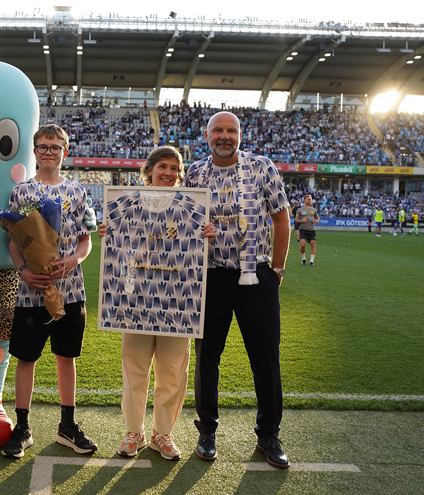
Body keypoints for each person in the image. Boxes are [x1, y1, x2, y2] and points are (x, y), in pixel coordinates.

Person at [183, 111, 291, 469]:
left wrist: (276, 269)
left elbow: (280, 217)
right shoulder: (196, 172)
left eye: (231, 130)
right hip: (211, 276)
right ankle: (207, 431)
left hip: (256, 275)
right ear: (206, 135)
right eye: (218, 131)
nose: (224, 136)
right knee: (207, 357)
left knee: (265, 358)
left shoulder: (262, 167)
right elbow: (181, 220)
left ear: (240, 135)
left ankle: (268, 435)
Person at [97, 146, 217, 461]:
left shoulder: (192, 208)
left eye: (174, 168)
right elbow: (120, 251)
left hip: (177, 304)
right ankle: (133, 432)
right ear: (149, 169)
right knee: (134, 370)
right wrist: (109, 232)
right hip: (135, 301)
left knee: (173, 373)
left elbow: (196, 253)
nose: (168, 173)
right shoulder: (127, 204)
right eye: (163, 166)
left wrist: (207, 233)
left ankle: (162, 434)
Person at [2, 124, 96, 459]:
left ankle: (67, 426)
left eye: (55, 147)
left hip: (70, 291)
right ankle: (22, 426)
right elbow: (13, 241)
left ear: (65, 152)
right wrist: (23, 271)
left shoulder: (80, 192)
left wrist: (71, 260)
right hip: (30, 293)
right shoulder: (21, 192)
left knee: (66, 357)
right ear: (34, 151)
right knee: (26, 359)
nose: (48, 153)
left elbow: (86, 241)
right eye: (43, 147)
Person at [295, 194, 320, 266]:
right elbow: (296, 220)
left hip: (311, 230)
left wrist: (316, 221)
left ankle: (311, 261)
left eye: (311, 199)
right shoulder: (300, 210)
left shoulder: (313, 210)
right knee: (302, 245)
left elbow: (317, 218)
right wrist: (302, 221)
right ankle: (303, 259)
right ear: (304, 200)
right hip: (303, 229)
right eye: (308, 199)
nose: (310, 201)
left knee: (313, 244)